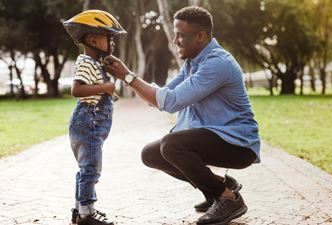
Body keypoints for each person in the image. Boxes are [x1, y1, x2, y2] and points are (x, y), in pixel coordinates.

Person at [103, 6, 261, 225]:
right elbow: (161, 96)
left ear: (201, 36)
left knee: (171, 145)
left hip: (237, 144)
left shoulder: (217, 63)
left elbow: (169, 102)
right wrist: (125, 77)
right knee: (150, 154)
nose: (175, 41)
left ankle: (228, 198)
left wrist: (128, 76)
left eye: (180, 35)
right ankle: (220, 186)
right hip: (214, 137)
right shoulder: (191, 63)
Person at [63, 9, 126, 225]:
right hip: (87, 122)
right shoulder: (85, 62)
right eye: (109, 38)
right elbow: (76, 90)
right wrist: (106, 86)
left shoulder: (95, 63)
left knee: (85, 170)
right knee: (91, 170)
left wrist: (108, 85)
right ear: (93, 39)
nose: (113, 43)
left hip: (90, 123)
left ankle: (79, 209)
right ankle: (87, 214)